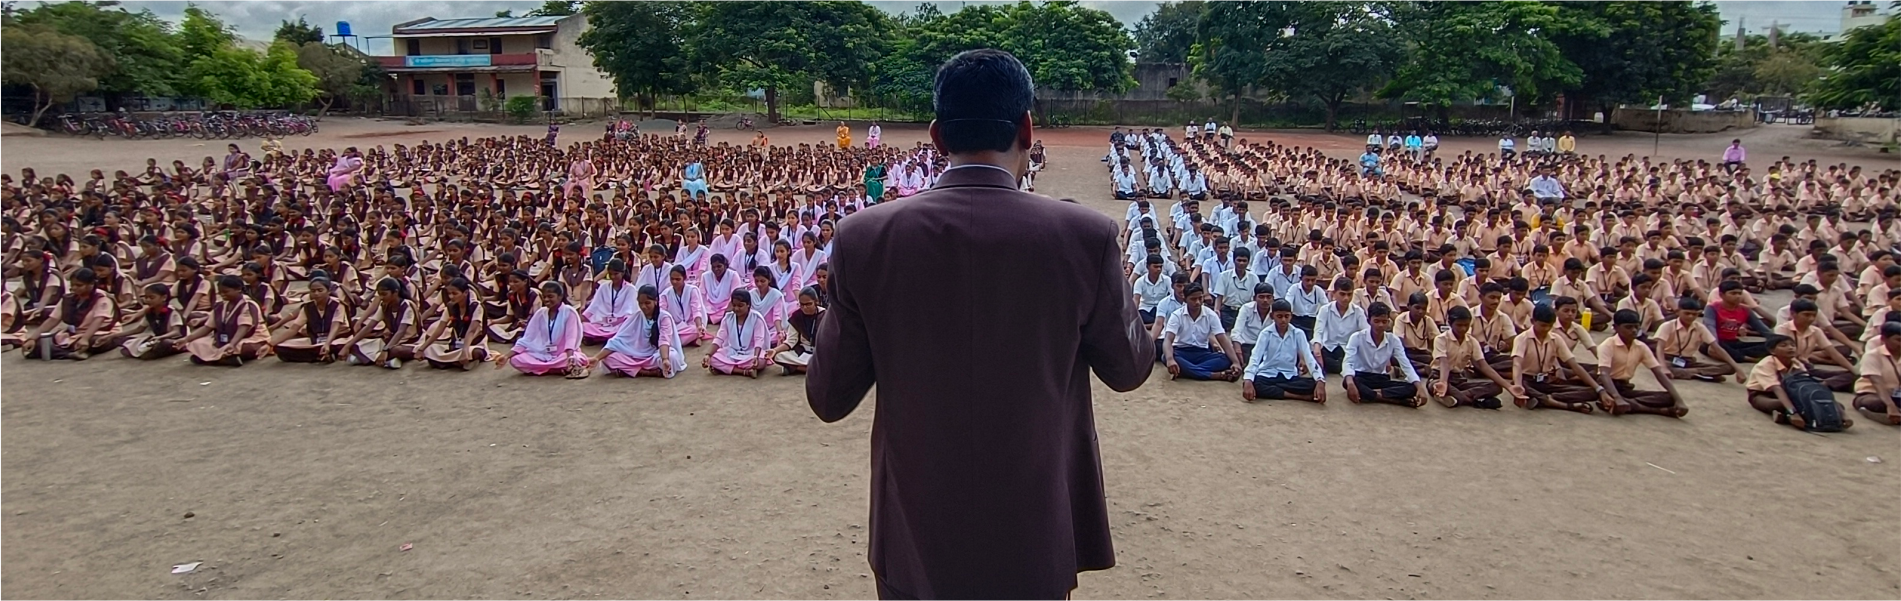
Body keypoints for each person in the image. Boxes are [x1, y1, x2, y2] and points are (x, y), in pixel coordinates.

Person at [806, 50, 1153, 601]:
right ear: (1027, 129)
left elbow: (828, 397)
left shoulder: (864, 237)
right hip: (1033, 538)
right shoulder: (1084, 236)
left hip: (913, 542)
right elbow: (1129, 369)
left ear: (937, 136)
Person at [1594, 310, 1689, 417]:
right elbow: (1604, 374)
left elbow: (1658, 373)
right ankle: (1659, 411)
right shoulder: (1607, 345)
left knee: (1670, 397)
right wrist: (1617, 397)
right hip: (1608, 387)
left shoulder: (1641, 347)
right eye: (1628, 327)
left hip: (1625, 387)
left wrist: (1679, 400)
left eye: (1636, 327)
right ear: (1616, 328)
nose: (1634, 330)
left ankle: (1629, 404)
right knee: (1611, 401)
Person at [1512, 304, 1607, 413]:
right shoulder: (1522, 339)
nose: (1546, 329)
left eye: (1549, 326)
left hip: (1546, 380)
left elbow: (1574, 365)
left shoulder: (1555, 339)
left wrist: (1599, 389)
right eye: (1543, 325)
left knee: (1593, 392)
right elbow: (1517, 364)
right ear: (1533, 321)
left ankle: (1547, 399)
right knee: (1522, 387)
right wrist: (1518, 386)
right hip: (1526, 380)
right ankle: (1566, 405)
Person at [1746, 335, 1852, 430]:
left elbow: (1809, 385)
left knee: (1832, 404)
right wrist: (1793, 412)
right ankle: (1789, 415)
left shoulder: (1797, 363)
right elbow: (1776, 389)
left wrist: (1843, 414)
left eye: (1793, 345)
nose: (1790, 348)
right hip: (1762, 394)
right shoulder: (1765, 365)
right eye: (1783, 345)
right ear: (1772, 351)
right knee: (1780, 405)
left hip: (1791, 393)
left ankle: (1786, 417)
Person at [493, 281, 590, 378]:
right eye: (544, 297)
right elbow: (527, 338)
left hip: (563, 354)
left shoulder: (569, 312)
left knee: (574, 359)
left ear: (560, 297)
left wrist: (570, 357)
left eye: (550, 296)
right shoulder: (540, 313)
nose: (546, 300)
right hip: (543, 353)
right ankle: (554, 369)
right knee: (515, 360)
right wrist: (506, 356)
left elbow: (571, 338)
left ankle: (546, 368)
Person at [1430, 306, 1519, 409]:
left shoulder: (1472, 341)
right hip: (1439, 376)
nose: (1463, 329)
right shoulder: (1441, 339)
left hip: (1458, 379)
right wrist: (1443, 382)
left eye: (1466, 325)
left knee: (1496, 388)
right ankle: (1477, 401)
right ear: (1450, 323)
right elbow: (1444, 363)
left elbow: (1483, 366)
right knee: (1436, 385)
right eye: (1459, 325)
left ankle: (1455, 398)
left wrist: (1509, 387)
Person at [20, 268, 117, 360]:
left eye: (79, 285)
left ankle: (69, 351)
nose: (74, 288)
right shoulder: (69, 298)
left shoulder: (102, 298)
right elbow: (53, 319)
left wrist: (85, 338)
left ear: (91, 284)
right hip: (74, 334)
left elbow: (98, 320)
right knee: (40, 344)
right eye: (72, 285)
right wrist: (32, 338)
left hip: (98, 332)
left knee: (97, 342)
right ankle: (70, 354)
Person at [1341, 303, 1427, 406]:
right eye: (1376, 321)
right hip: (1361, 376)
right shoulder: (1357, 337)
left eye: (1384, 321)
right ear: (1369, 321)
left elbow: (1405, 364)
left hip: (1380, 378)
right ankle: (1392, 399)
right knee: (1348, 382)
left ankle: (1372, 395)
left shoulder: (1393, 340)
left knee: (1412, 388)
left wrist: (1419, 387)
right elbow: (1348, 361)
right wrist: (1350, 383)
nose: (1380, 325)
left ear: (1388, 322)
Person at [1240, 300, 1324, 402]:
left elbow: (1309, 358)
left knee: (1312, 384)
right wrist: (1248, 379)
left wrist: (1319, 380)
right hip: (1268, 374)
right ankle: (1298, 396)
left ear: (1291, 316)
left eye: (1286, 316)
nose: (1283, 320)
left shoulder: (1298, 334)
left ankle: (1278, 391)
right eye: (1279, 316)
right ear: (1272, 316)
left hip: (1289, 375)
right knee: (1256, 384)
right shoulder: (1266, 333)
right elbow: (1255, 357)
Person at [175, 275, 268, 366]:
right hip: (225, 338)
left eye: (226, 292)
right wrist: (186, 339)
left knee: (240, 347)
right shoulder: (220, 305)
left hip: (248, 338)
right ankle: (223, 359)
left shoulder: (248, 304)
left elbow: (244, 327)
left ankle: (213, 359)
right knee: (196, 343)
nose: (222, 294)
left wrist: (232, 344)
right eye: (220, 292)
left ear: (238, 289)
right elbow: (207, 327)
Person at [594, 285, 684, 378]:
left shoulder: (664, 317)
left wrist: (665, 359)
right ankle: (645, 372)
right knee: (609, 358)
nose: (643, 307)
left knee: (672, 357)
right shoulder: (635, 317)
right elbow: (618, 340)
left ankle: (630, 370)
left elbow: (664, 340)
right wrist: (596, 358)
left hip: (657, 355)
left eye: (647, 303)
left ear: (656, 301)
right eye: (640, 303)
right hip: (636, 355)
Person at [1162, 284, 1242, 381]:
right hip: (1181, 351)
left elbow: (1223, 339)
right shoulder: (1177, 315)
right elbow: (1168, 340)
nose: (1198, 302)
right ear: (1185, 299)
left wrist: (1235, 362)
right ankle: (1215, 375)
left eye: (1200, 298)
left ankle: (1187, 371)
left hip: (1203, 353)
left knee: (1226, 359)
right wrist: (1170, 359)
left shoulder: (1211, 315)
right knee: (1166, 357)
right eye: (1193, 299)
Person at [271, 276, 351, 363]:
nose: (316, 293)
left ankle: (322, 353)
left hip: (337, 338)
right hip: (317, 340)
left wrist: (327, 344)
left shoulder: (337, 305)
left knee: (336, 346)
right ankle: (320, 356)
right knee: (280, 347)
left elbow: (335, 327)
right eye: (313, 291)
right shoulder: (308, 307)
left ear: (328, 291)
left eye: (320, 290)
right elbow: (293, 329)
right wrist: (270, 345)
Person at [417, 278, 491, 370]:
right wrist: (422, 349)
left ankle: (452, 361)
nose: (451, 296)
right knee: (430, 349)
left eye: (455, 293)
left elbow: (471, 331)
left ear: (465, 293)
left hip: (473, 344)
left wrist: (465, 350)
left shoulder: (476, 306)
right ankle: (459, 362)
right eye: (449, 294)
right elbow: (439, 330)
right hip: (456, 345)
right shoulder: (450, 307)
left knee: (475, 352)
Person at [706, 289, 769, 377]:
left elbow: (759, 340)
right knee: (713, 359)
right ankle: (743, 371)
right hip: (732, 352)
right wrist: (708, 355)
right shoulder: (728, 318)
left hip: (751, 353)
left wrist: (755, 357)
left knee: (761, 360)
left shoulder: (756, 318)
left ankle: (726, 368)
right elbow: (719, 338)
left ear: (748, 305)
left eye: (740, 305)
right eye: (734, 305)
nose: (736, 309)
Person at [1852, 322, 1901, 426]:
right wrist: (1890, 405)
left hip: (1897, 396)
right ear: (1883, 339)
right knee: (1874, 403)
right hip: (1873, 394)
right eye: (1899, 340)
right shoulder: (1873, 355)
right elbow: (1877, 382)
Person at [770, 286, 825, 374]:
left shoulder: (825, 315)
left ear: (816, 302)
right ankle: (812, 370)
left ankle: (795, 368)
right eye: (802, 305)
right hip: (802, 352)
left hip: (820, 352)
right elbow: (791, 341)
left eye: (808, 304)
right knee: (777, 356)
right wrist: (774, 350)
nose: (805, 308)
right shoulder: (796, 316)